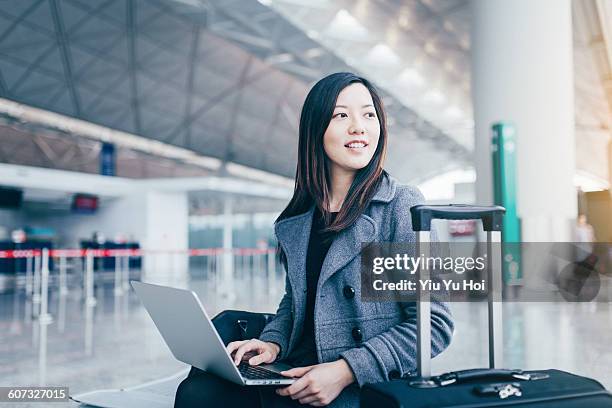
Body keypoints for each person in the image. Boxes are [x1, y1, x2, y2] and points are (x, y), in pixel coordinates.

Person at [174, 72, 454, 407]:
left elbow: (433, 324)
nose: (359, 127)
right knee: (199, 391)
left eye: (369, 114)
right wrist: (272, 344)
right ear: (315, 129)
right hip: (296, 372)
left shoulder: (399, 206)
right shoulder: (302, 217)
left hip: (361, 387)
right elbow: (296, 304)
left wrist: (345, 370)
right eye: (341, 115)